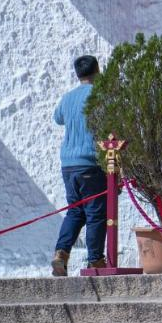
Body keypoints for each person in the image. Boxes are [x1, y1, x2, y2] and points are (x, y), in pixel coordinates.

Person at [51, 55, 107, 275]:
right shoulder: (100, 96)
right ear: (98, 71)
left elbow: (58, 118)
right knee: (96, 213)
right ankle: (95, 260)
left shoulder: (68, 98)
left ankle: (61, 254)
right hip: (90, 163)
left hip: (68, 164)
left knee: (75, 211)